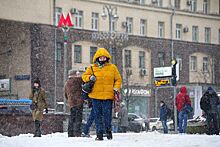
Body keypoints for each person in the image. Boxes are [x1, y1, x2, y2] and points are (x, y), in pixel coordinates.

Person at [82, 48, 122, 141]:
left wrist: (116, 88)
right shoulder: (92, 68)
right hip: (95, 96)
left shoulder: (112, 68)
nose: (102, 59)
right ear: (97, 58)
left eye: (104, 57)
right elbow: (84, 77)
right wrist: (90, 77)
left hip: (108, 96)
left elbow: (118, 79)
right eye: (101, 57)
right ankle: (99, 134)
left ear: (107, 58)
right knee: (97, 116)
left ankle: (108, 131)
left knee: (107, 116)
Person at [64, 70, 84, 137]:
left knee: (72, 118)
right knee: (78, 118)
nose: (78, 75)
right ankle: (77, 133)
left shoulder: (67, 83)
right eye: (77, 74)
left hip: (71, 103)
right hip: (78, 102)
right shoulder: (78, 81)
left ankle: (70, 133)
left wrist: (70, 100)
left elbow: (65, 94)